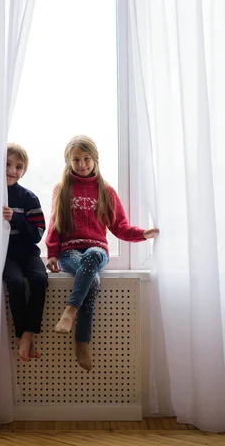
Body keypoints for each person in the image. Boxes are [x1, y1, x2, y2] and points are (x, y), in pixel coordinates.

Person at [46, 135, 159, 371]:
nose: (82, 164)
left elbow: (120, 227)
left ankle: (70, 311)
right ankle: (82, 341)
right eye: (76, 159)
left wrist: (143, 234)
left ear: (95, 159)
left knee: (95, 254)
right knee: (93, 280)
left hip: (97, 251)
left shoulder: (106, 191)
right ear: (68, 162)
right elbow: (55, 225)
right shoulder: (62, 189)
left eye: (87, 158)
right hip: (70, 254)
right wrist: (53, 253)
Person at [3, 143, 48, 362]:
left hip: (28, 252)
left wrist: (16, 218)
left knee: (40, 279)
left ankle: (28, 333)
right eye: (8, 164)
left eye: (19, 167)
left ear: (24, 172)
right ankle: (22, 334)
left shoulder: (29, 198)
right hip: (6, 256)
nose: (13, 170)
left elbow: (37, 234)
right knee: (16, 283)